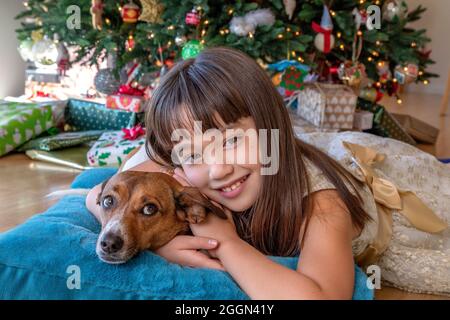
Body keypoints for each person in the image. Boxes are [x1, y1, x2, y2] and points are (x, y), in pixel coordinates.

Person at [87, 47, 449, 298]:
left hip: (419, 201)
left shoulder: (323, 204)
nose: (218, 168)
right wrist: (156, 242)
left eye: (230, 141)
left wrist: (224, 244)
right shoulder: (184, 171)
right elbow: (98, 195)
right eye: (193, 153)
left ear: (270, 126)